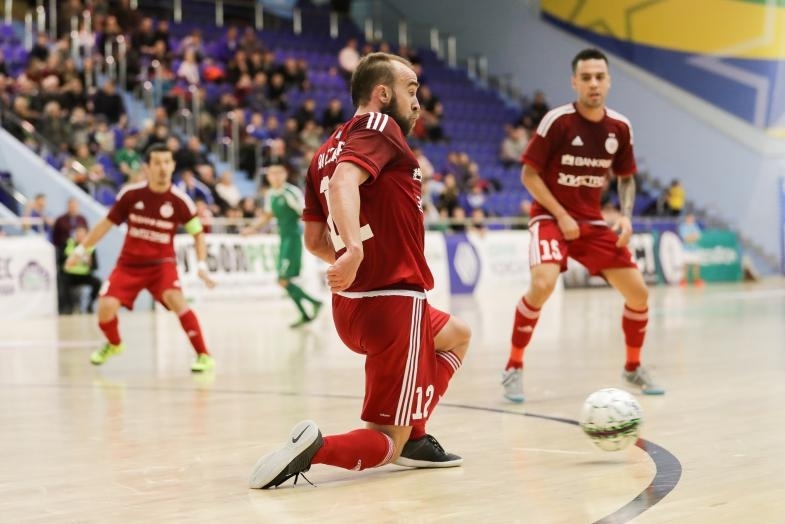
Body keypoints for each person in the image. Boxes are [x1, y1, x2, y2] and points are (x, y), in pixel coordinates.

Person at [249, 52, 470, 490]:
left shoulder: (323, 152)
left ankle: (416, 435)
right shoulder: (380, 126)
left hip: (351, 305)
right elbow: (346, 182)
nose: (417, 103)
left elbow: (315, 240)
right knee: (385, 440)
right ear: (382, 94)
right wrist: (355, 250)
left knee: (456, 334)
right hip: (394, 304)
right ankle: (317, 449)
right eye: (410, 90)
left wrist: (352, 264)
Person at [500, 48, 665, 403]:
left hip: (591, 222)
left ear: (609, 81)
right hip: (550, 217)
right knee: (542, 284)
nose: (593, 83)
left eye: (599, 77)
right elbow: (529, 175)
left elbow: (626, 177)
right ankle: (513, 366)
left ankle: (633, 366)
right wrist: (561, 215)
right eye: (586, 77)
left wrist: (625, 215)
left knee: (639, 294)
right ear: (574, 82)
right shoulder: (557, 121)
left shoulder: (620, 127)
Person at [65, 144, 217, 372]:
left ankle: (203, 355)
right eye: (157, 163)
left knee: (176, 300)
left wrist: (202, 265)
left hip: (161, 264)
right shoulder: (131, 195)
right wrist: (80, 251)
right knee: (105, 307)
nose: (163, 168)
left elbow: (198, 234)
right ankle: (114, 344)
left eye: (167, 162)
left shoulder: (181, 201)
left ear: (173, 165)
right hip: (129, 264)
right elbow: (105, 224)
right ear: (147, 167)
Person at [242, 164, 323, 328]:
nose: (275, 177)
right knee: (282, 280)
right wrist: (252, 228)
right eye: (272, 174)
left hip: (292, 239)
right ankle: (306, 313)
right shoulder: (271, 194)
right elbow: (268, 215)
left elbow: (305, 212)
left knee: (282, 279)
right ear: (268, 177)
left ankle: (314, 303)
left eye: (278, 173)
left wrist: (315, 234)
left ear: (285, 175)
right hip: (283, 239)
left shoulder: (290, 192)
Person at [62, 225, 102, 314]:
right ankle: (68, 307)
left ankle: (90, 305)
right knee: (61, 281)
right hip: (70, 274)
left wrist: (89, 261)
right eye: (78, 233)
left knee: (98, 282)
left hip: (84, 275)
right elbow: (61, 261)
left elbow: (95, 266)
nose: (80, 236)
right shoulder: (68, 244)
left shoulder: (91, 247)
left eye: (83, 234)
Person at [678, 213, 703, 287]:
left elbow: (698, 237)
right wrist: (692, 237)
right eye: (690, 218)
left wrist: (691, 237)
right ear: (687, 218)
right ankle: (684, 280)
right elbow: (686, 238)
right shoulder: (683, 227)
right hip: (686, 249)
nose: (692, 219)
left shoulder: (695, 226)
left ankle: (697, 280)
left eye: (692, 218)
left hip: (695, 249)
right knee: (685, 265)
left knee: (696, 265)